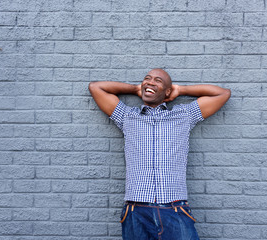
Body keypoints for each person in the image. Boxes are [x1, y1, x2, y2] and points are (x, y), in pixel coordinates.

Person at [88, 68, 231, 240]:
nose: (150, 82)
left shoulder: (183, 115)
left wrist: (181, 90)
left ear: (167, 91)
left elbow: (222, 94)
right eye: (147, 79)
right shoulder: (127, 116)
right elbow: (96, 87)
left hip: (175, 209)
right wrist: (136, 89)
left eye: (158, 81)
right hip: (136, 210)